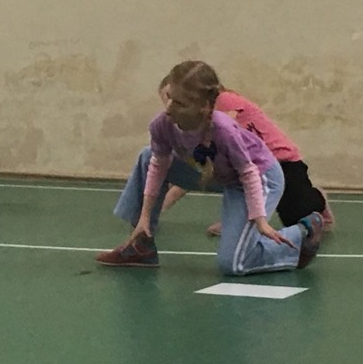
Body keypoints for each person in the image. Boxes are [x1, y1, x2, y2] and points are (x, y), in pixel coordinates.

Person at [96, 60, 324, 274]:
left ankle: (301, 235)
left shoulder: (224, 129)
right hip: (220, 176)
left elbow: (249, 173)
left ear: (203, 107)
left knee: (233, 264)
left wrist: (260, 221)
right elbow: (157, 167)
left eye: (180, 103)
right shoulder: (162, 124)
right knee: (148, 156)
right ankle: (141, 246)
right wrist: (144, 217)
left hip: (257, 178)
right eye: (169, 98)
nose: (169, 108)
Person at [153, 75, 334, 236]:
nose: (170, 109)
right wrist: (156, 211)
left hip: (281, 160)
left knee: (296, 217)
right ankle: (236, 221)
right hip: (253, 164)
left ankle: (316, 198)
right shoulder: (196, 122)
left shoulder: (222, 104)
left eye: (174, 101)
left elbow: (222, 149)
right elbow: (196, 168)